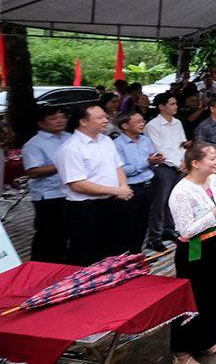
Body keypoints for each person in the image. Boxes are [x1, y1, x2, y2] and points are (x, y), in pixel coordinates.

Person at [168, 142, 216, 364]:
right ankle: (182, 352)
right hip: (195, 248)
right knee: (193, 298)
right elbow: (186, 230)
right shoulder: (180, 192)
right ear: (195, 163)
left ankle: (205, 340)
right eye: (212, 158)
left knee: (213, 294)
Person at [54, 105, 133, 265]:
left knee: (114, 247)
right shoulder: (70, 148)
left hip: (112, 202)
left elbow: (117, 166)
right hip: (85, 208)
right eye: (100, 117)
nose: (106, 120)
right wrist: (117, 190)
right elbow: (77, 184)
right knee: (87, 252)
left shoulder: (106, 140)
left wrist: (123, 187)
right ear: (83, 121)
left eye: (105, 116)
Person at [23, 107, 72, 262]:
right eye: (53, 118)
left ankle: (63, 264)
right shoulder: (34, 144)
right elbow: (33, 171)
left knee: (66, 232)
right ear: (40, 123)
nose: (59, 120)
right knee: (48, 235)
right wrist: (62, 165)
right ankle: (39, 267)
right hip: (49, 195)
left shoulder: (70, 137)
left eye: (62, 116)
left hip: (70, 192)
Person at [114, 110, 163, 253]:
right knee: (128, 224)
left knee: (144, 222)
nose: (142, 124)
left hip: (149, 184)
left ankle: (137, 253)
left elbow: (152, 161)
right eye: (138, 122)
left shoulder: (145, 140)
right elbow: (121, 171)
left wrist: (156, 160)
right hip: (131, 188)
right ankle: (125, 256)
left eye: (143, 121)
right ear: (124, 125)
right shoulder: (117, 144)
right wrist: (146, 162)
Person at [144, 93, 187, 251]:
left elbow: (182, 144)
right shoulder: (152, 125)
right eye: (172, 104)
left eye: (176, 103)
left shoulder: (177, 123)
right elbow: (158, 149)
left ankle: (169, 229)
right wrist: (176, 163)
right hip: (163, 167)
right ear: (161, 106)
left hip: (179, 166)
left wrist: (183, 161)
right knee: (159, 203)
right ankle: (154, 237)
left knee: (174, 200)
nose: (176, 106)